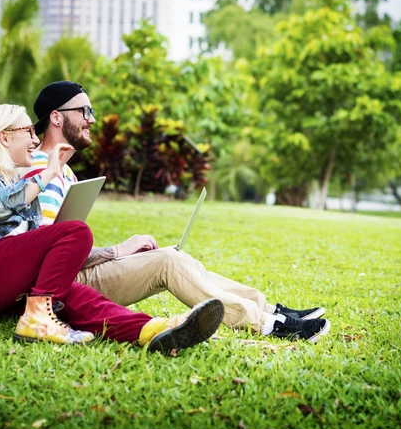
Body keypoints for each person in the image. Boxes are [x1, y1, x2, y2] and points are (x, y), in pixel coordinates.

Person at [25, 81, 331, 344]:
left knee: (177, 256)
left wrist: (120, 253)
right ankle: (264, 324)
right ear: (56, 117)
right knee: (168, 261)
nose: (91, 120)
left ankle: (268, 310)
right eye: (84, 111)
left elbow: (65, 246)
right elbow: (45, 254)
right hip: (65, 288)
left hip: (78, 274)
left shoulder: (65, 173)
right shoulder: (43, 171)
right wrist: (118, 250)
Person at [0, 103, 225, 354]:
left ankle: (155, 330)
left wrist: (112, 253)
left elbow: (32, 238)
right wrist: (48, 172)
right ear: (4, 136)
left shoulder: (14, 177)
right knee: (76, 231)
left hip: (9, 285)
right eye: (30, 132)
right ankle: (37, 318)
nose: (36, 140)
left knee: (79, 297)